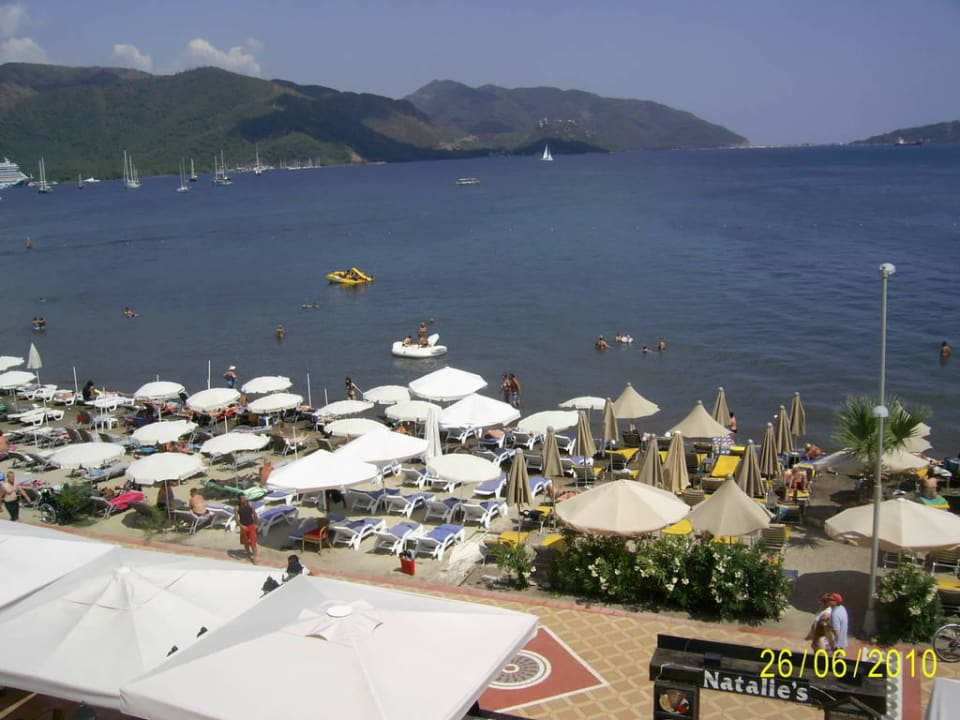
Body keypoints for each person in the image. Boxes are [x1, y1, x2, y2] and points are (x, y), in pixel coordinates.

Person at [237, 495, 259, 564]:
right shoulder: (237, 507)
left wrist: (257, 524)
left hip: (251, 525)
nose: (244, 499)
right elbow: (236, 519)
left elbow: (255, 514)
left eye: (244, 498)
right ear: (239, 500)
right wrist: (241, 526)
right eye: (242, 498)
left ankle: (254, 558)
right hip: (243, 526)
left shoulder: (250, 505)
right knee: (246, 543)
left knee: (253, 543)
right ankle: (249, 555)